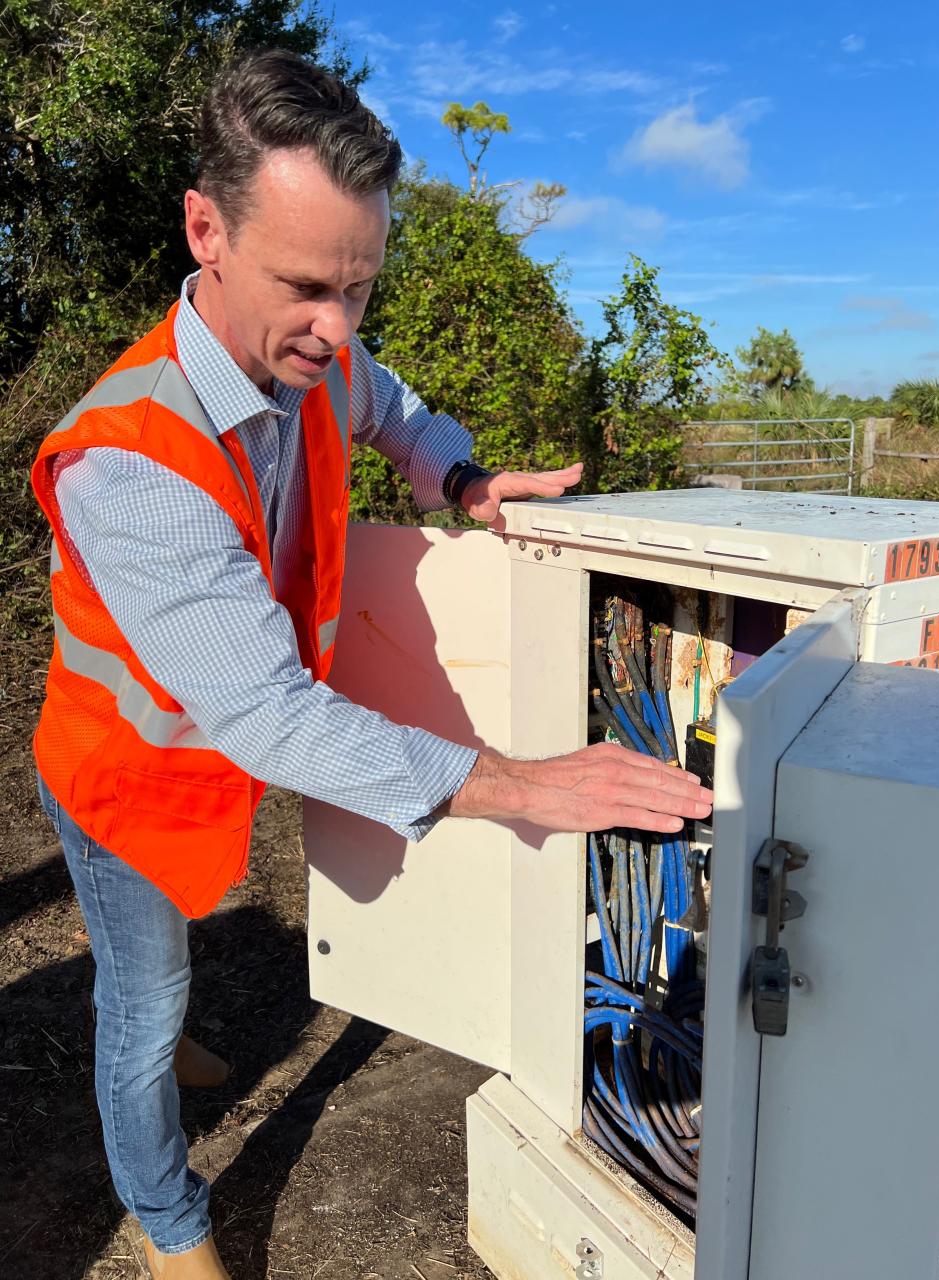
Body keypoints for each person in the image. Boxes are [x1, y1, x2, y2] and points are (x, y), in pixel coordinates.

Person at [31, 49, 713, 1279]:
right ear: (206, 229)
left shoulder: (315, 354)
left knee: (170, 955)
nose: (337, 329)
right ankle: (168, 1220)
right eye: (307, 286)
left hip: (212, 755)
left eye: (360, 287)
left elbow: (388, 401)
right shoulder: (124, 457)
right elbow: (270, 714)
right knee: (136, 1009)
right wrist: (524, 784)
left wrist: (457, 473)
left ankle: (171, 1015)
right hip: (121, 776)